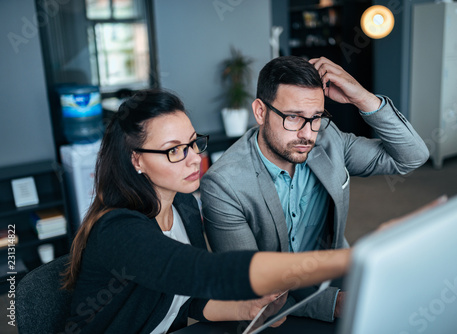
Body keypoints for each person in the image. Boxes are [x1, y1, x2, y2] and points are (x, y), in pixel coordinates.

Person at [62, 89, 350, 334]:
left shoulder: (184, 206)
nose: (194, 160)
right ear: (136, 159)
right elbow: (200, 272)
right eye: (174, 150)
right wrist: (344, 260)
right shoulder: (119, 230)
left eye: (192, 143)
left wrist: (247, 308)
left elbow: (191, 297)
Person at [200, 56, 430, 322]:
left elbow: (412, 156)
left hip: (335, 271)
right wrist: (333, 304)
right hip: (275, 309)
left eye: (316, 117)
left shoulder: (328, 140)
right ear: (260, 111)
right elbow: (251, 284)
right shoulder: (224, 185)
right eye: (293, 117)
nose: (307, 134)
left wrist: (362, 97)